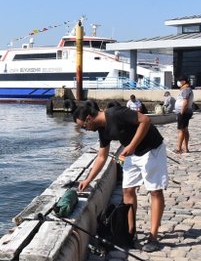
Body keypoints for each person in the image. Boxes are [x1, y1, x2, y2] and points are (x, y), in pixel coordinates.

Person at [72, 103, 168, 252]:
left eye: (84, 126)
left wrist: (131, 145)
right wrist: (88, 179)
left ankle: (153, 237)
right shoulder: (102, 130)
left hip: (151, 149)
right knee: (128, 191)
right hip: (132, 154)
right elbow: (101, 157)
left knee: (155, 191)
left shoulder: (115, 113)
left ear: (89, 118)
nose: (86, 130)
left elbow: (145, 120)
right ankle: (130, 232)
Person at [174, 76, 194, 153]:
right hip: (186, 112)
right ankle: (185, 148)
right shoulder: (186, 89)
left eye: (180, 80)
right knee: (185, 129)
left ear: (184, 81)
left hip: (184, 112)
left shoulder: (186, 89)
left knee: (181, 130)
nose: (178, 82)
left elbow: (185, 102)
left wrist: (181, 112)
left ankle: (179, 149)